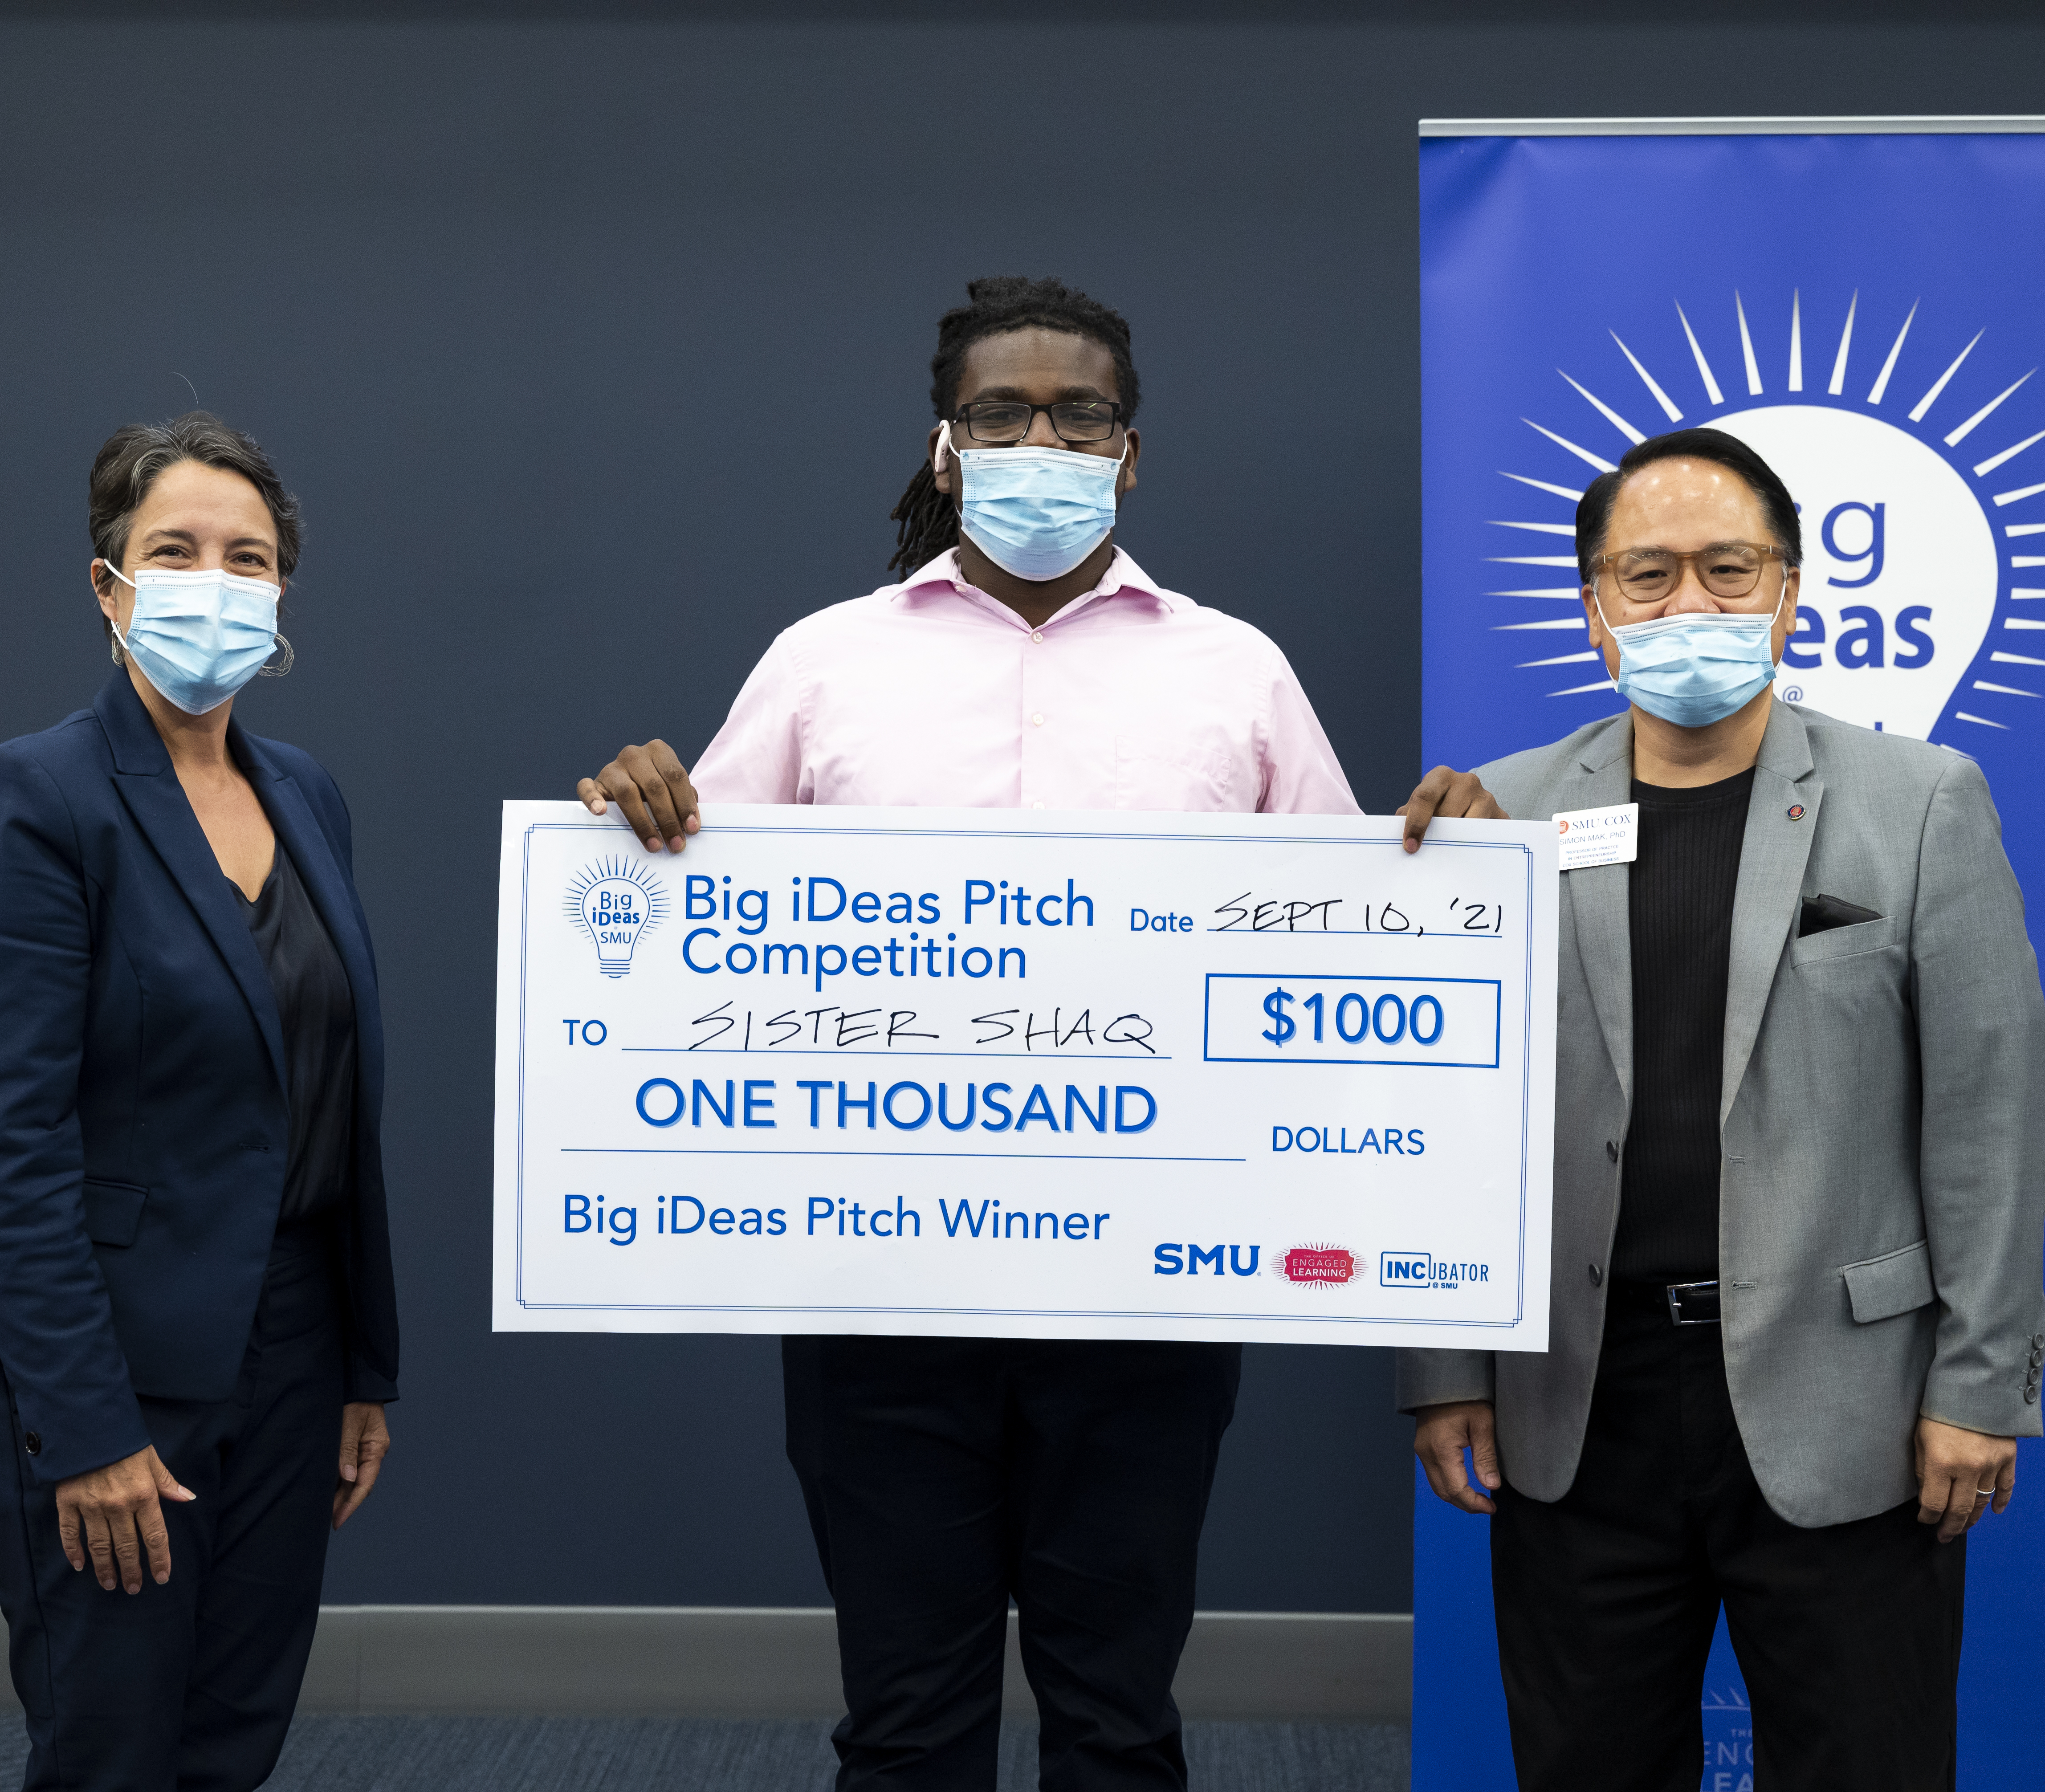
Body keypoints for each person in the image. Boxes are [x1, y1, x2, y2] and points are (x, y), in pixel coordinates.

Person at [580, 276, 1485, 1792]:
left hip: (1149, 1303)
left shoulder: (1237, 671)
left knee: (1118, 1719)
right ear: (946, 446)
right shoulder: (823, 661)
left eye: (1080, 415)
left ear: (1130, 453)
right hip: (878, 1294)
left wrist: (1449, 877)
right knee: (906, 1724)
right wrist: (627, 821)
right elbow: (689, 937)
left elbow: (1341, 949)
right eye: (1003, 413)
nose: (1041, 442)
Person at [1395, 427, 2045, 1790]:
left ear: (1788, 593)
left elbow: (1988, 1120)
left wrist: (1980, 1387)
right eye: (1648, 575)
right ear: (1595, 608)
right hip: (1584, 1400)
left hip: (1850, 1399)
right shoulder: (1499, 812)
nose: (1688, 603)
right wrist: (1449, 1367)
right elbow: (1446, 1115)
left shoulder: (1921, 802)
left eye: (1727, 569)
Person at [0, 411, 401, 1791]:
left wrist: (363, 1364)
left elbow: (332, 1091)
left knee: (234, 1737)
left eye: (248, 558)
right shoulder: (35, 796)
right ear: (108, 584)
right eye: (174, 551)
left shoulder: (305, 795)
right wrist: (86, 1426)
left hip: (293, 1339)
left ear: (284, 592)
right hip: (100, 1349)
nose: (214, 583)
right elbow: (6, 1145)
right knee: (113, 1747)